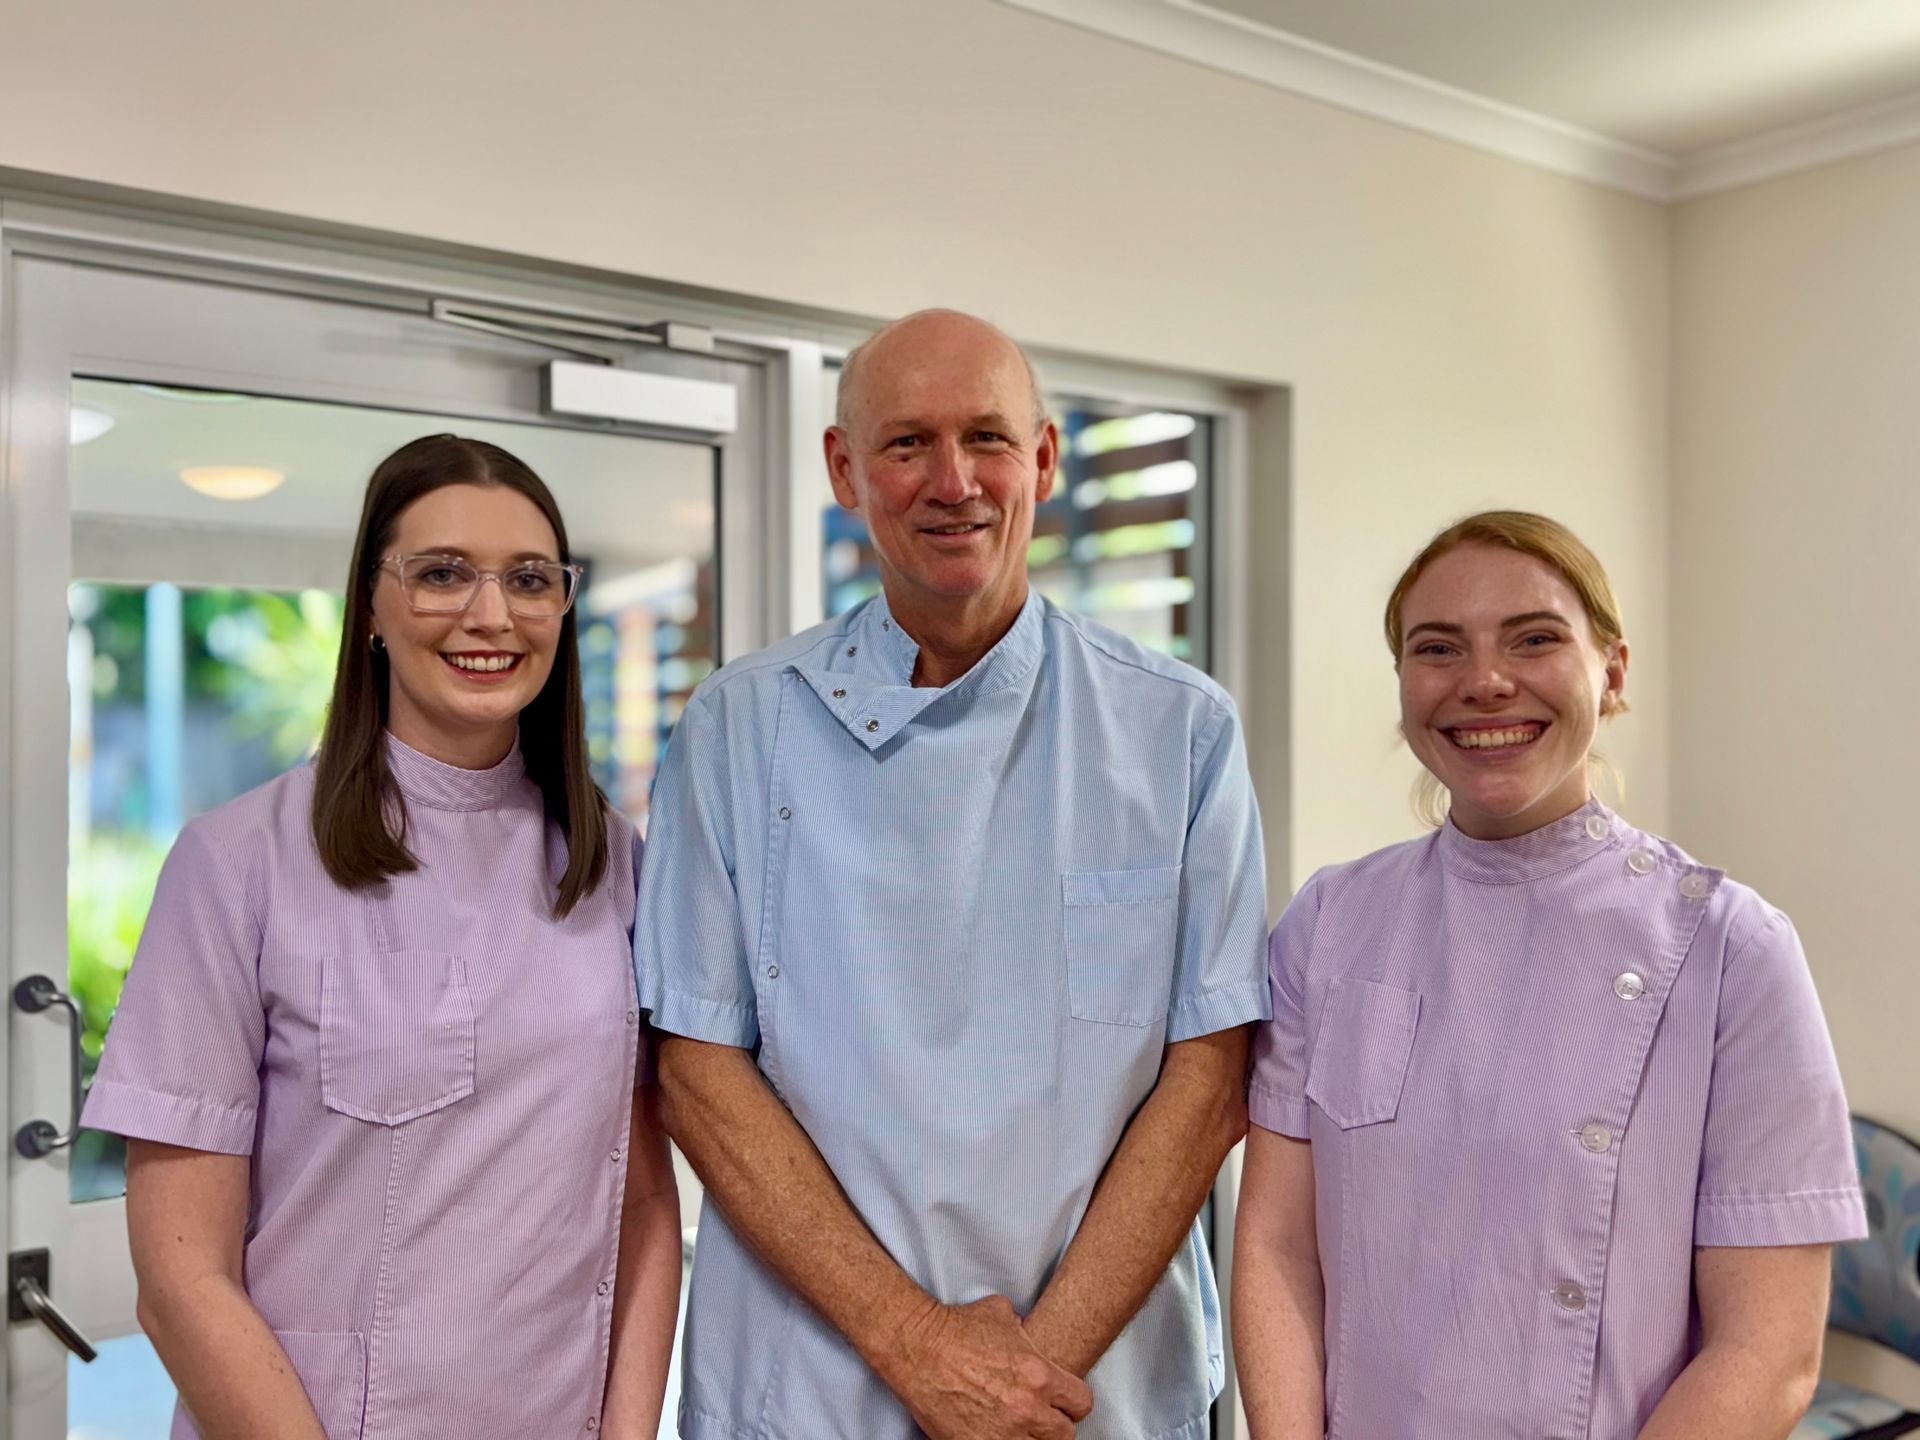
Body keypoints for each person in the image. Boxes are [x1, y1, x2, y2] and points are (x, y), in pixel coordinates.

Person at [634, 309, 1268, 1439]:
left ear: (1045, 459)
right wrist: (916, 1345)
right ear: (843, 468)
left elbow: (1208, 1079)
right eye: (906, 443)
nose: (953, 480)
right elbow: (694, 1070)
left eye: (987, 437)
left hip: (1086, 1392)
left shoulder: (1177, 731)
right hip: (814, 1382)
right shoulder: (740, 726)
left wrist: (1018, 1381)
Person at [82, 435, 681, 1440]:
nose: (490, 614)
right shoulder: (236, 864)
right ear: (370, 604)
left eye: (529, 579)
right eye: (443, 573)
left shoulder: (614, 868)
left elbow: (646, 1208)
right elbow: (181, 1282)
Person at [1232, 510, 1866, 1439]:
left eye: (1534, 639)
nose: (1483, 682)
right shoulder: (1329, 925)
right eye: (1437, 648)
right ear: (1404, 685)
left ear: (1611, 672)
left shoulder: (1732, 951)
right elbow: (1279, 1253)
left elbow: (1767, 1356)